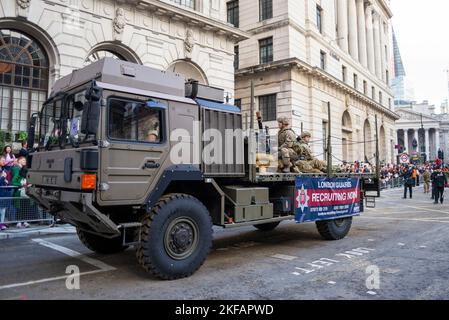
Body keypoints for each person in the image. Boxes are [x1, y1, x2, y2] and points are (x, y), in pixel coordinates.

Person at [10, 157, 30, 229]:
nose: (25, 161)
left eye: (25, 160)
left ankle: (25, 221)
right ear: (19, 161)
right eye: (23, 160)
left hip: (25, 191)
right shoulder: (16, 169)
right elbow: (13, 181)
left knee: (25, 206)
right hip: (19, 191)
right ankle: (19, 222)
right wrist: (21, 185)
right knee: (19, 207)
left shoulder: (25, 169)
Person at [0, 156, 10, 231]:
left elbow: (6, 181)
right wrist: (2, 178)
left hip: (3, 193)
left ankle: (2, 224)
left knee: (3, 210)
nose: (4, 161)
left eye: (4, 160)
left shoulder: (5, 170)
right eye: (2, 160)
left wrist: (6, 181)